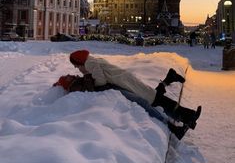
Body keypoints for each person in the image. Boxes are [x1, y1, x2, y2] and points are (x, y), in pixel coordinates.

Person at [53, 50, 202, 140]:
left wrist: (95, 84)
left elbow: (101, 80)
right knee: (154, 97)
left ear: (79, 61)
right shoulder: (92, 60)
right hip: (125, 79)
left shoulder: (90, 64)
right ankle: (187, 115)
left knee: (153, 99)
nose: (76, 69)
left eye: (76, 65)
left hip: (123, 82)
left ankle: (185, 116)